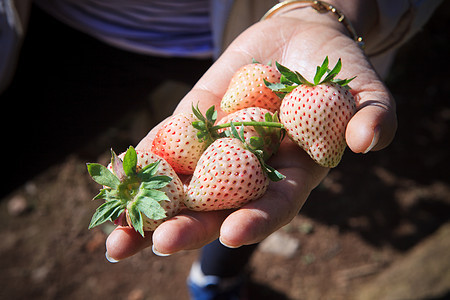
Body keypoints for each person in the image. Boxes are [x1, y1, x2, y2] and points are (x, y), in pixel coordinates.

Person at [0, 1, 442, 299]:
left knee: (254, 212)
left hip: (247, 21)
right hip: (57, 29)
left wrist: (329, 10)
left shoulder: (278, 107)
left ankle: (217, 277)